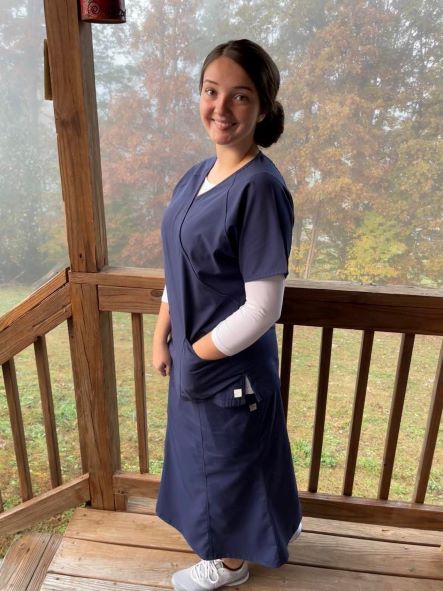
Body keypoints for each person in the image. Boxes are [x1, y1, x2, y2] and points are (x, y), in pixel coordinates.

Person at [152, 39, 302, 591]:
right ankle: (264, 533)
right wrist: (163, 331)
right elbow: (178, 263)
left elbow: (264, 306)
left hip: (229, 363)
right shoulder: (197, 176)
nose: (221, 107)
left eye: (240, 96)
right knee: (210, 460)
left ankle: (233, 565)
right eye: (212, 91)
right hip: (195, 354)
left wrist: (199, 353)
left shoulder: (260, 188)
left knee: (233, 464)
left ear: (262, 108)